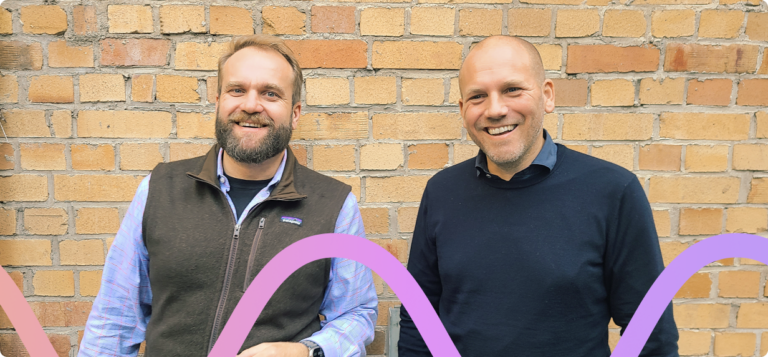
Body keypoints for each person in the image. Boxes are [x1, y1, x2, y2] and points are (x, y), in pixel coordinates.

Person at [79, 34, 377, 357]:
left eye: (270, 93)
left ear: (295, 113)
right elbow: (114, 321)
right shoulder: (159, 189)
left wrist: (305, 352)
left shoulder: (334, 206)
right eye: (237, 90)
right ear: (218, 100)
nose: (250, 105)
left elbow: (356, 314)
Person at [398, 36, 678, 356]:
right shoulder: (442, 192)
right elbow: (419, 321)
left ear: (547, 96)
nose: (496, 109)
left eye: (512, 89)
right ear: (463, 110)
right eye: (478, 96)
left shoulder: (613, 192)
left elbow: (651, 335)